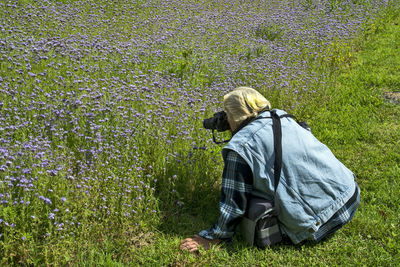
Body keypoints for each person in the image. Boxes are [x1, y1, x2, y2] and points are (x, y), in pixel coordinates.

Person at [180, 87, 360, 252]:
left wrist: (214, 237)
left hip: (319, 223)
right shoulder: (282, 117)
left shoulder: (240, 147)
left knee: (253, 201)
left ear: (234, 116)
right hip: (350, 195)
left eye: (226, 114)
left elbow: (233, 204)